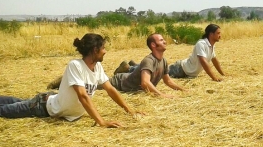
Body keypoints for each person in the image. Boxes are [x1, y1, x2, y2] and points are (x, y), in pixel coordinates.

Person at [0, 33, 144, 127]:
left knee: (15, 101)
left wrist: (130, 110)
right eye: (104, 48)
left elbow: (110, 90)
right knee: (2, 111)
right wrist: (102, 122)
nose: (106, 52)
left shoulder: (97, 67)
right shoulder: (75, 66)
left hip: (50, 100)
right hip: (43, 106)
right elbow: (82, 96)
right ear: (95, 49)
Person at [49, 33, 185, 99]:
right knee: (92, 85)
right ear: (154, 45)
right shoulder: (148, 61)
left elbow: (168, 81)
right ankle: (62, 80)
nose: (165, 41)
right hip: (120, 83)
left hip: (126, 78)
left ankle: (126, 68)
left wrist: (182, 90)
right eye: (161, 40)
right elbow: (145, 83)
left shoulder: (164, 61)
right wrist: (162, 95)